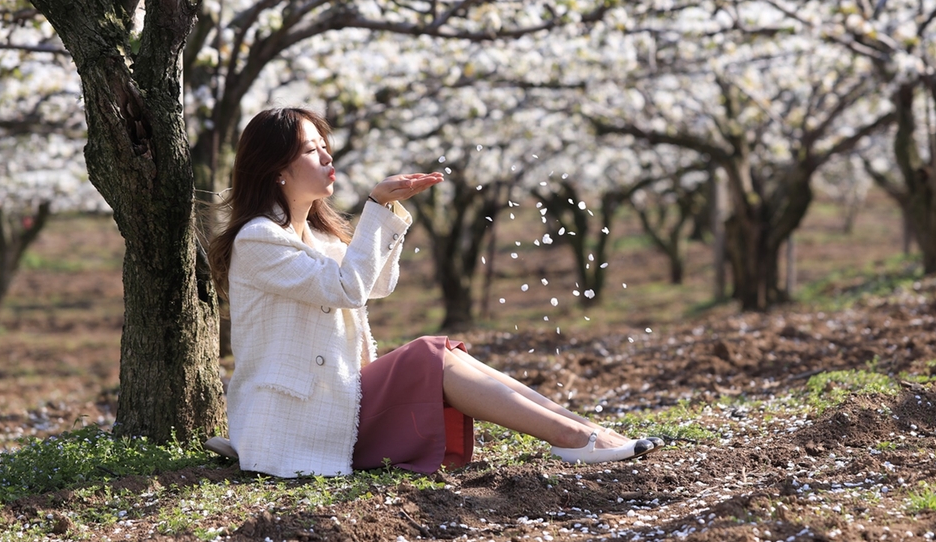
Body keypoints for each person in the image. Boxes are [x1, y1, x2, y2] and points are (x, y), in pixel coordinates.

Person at [203, 107, 659, 476]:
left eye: (326, 148)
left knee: (447, 356)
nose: (328, 159)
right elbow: (349, 289)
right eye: (311, 151)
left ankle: (583, 430)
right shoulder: (259, 238)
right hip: (300, 418)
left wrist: (390, 213)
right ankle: (574, 438)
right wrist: (376, 208)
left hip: (342, 398)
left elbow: (379, 284)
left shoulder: (320, 237)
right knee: (429, 354)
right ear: (276, 169)